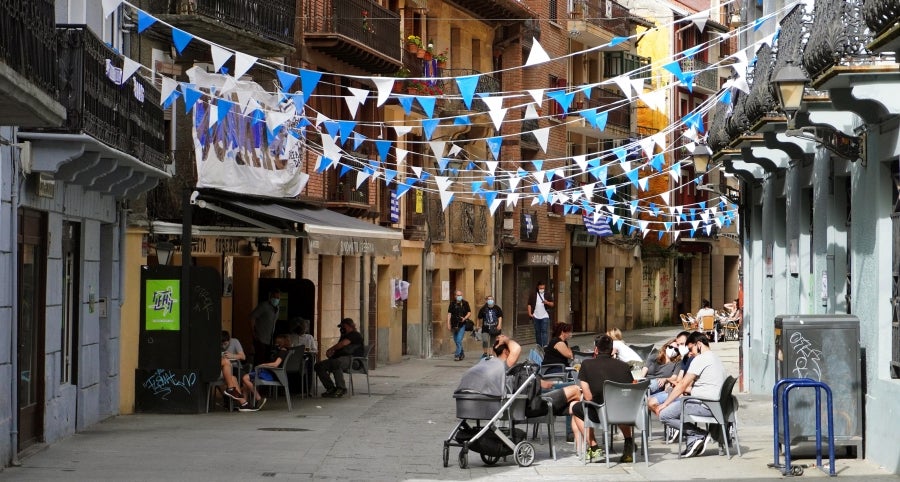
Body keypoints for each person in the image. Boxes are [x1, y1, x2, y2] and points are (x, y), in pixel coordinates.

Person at [653, 332, 727, 458]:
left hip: (706, 405)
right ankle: (695, 437)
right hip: (716, 404)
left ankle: (698, 435)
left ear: (699, 344)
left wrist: (665, 404)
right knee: (677, 403)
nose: (690, 353)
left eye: (691, 348)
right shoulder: (714, 357)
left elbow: (682, 385)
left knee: (664, 415)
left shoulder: (700, 359)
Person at [571, 335, 636, 463]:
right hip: (623, 414)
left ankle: (594, 447)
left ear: (596, 350)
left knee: (575, 408)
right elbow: (629, 390)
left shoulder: (586, 364)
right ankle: (628, 443)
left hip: (598, 414)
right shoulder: (624, 366)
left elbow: (588, 397)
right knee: (618, 405)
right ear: (612, 351)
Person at [239, 334, 292, 410]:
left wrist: (263, 365)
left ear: (283, 342)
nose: (276, 343)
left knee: (245, 378)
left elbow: (276, 364)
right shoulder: (280, 351)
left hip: (272, 374)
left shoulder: (282, 352)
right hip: (270, 372)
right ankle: (244, 404)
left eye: (278, 341)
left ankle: (258, 398)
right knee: (245, 382)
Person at [315, 318, 364, 398]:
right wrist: (331, 355)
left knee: (336, 363)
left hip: (353, 360)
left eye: (343, 327)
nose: (342, 329)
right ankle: (330, 388)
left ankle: (341, 388)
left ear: (349, 326)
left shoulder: (355, 335)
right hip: (340, 359)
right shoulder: (344, 336)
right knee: (319, 366)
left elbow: (343, 344)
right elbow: (340, 350)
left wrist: (331, 349)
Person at [219, 331, 251, 410]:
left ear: (229, 340)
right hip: (224, 369)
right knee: (232, 379)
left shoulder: (235, 342)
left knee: (244, 379)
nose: (223, 346)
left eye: (225, 344)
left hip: (236, 367)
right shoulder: (216, 344)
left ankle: (243, 402)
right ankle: (241, 404)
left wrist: (232, 355)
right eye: (221, 344)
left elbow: (243, 357)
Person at [250, 289, 281, 365]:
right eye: (274, 297)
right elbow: (252, 317)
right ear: (270, 297)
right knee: (259, 358)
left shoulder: (277, 308)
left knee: (267, 359)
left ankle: (263, 375)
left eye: (278, 298)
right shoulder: (264, 306)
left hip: (269, 339)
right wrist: (253, 332)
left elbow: (274, 321)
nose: (276, 299)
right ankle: (256, 374)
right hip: (260, 337)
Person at [288, 317, 317, 395]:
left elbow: (315, 350)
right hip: (292, 361)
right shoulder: (290, 337)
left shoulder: (309, 337)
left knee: (310, 361)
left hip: (305, 360)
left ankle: (307, 389)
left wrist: (307, 350)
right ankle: (292, 389)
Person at [447, 290, 472, 361]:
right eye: (458, 295)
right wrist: (448, 323)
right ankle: (462, 353)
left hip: (462, 324)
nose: (459, 296)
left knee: (458, 340)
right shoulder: (452, 304)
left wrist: (465, 318)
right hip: (454, 324)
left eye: (460, 295)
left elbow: (469, 312)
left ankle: (457, 355)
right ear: (455, 296)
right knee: (456, 340)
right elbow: (449, 314)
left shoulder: (465, 303)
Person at [527, 281, 554, 347]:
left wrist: (547, 302)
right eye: (540, 288)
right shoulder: (533, 294)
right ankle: (539, 346)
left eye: (543, 288)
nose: (542, 289)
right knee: (537, 332)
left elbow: (552, 304)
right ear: (538, 287)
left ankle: (545, 346)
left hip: (545, 315)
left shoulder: (547, 294)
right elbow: (529, 304)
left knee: (544, 331)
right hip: (536, 316)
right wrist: (530, 313)